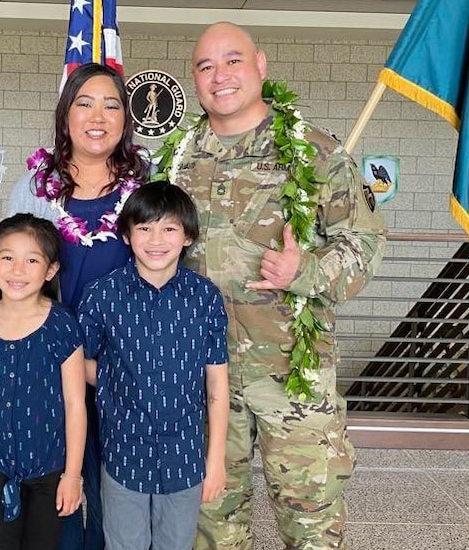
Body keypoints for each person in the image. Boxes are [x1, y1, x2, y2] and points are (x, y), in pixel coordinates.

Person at [166, 22, 387, 550]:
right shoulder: (175, 160)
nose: (220, 76)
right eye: (205, 66)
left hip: (293, 376)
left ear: (260, 65)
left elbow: (365, 244)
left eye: (233, 61)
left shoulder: (315, 152)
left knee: (310, 520)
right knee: (211, 522)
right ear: (194, 80)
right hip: (203, 377)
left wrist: (305, 271)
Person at [0, 62, 150, 550]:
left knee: (115, 490)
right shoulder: (33, 186)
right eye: (84, 102)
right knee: (55, 491)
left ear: (125, 119)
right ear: (65, 114)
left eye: (112, 105)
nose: (98, 115)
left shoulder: (146, 186)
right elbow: (5, 268)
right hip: (46, 366)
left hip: (120, 365)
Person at [77, 182, 230, 550]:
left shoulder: (205, 297)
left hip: (184, 457)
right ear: (127, 236)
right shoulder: (102, 295)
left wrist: (217, 460)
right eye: (144, 228)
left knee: (175, 544)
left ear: (188, 236)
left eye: (169, 228)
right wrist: (117, 382)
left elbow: (217, 387)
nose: (156, 239)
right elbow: (79, 363)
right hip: (122, 454)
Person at [0, 213, 87, 550]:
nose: (18, 270)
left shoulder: (62, 326)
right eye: (8, 258)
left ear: (50, 270)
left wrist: (72, 475)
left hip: (50, 468)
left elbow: (75, 405)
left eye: (32, 260)